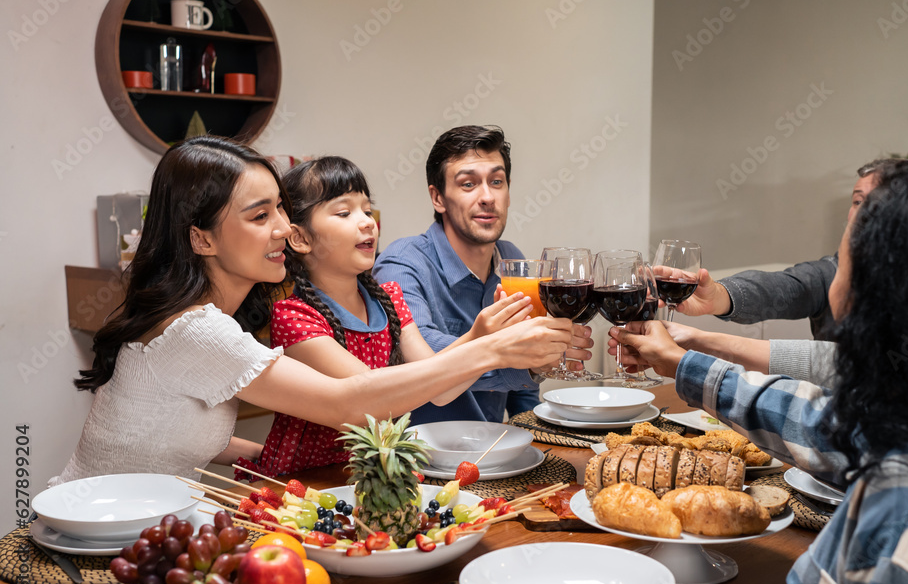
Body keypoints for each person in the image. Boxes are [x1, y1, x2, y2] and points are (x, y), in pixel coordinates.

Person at [612, 158, 908, 584]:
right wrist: (686, 362)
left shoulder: (904, 525)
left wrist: (686, 356)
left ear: (875, 290)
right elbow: (829, 424)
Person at [54, 136, 572, 485]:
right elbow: (350, 403)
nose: (283, 228)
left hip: (140, 518)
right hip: (101, 529)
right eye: (261, 215)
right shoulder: (201, 331)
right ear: (201, 239)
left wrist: (275, 462)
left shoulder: (209, 319)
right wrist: (492, 348)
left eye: (280, 208)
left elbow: (168, 433)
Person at [237, 156, 539, 477]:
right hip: (313, 477)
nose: (367, 222)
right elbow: (371, 401)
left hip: (379, 474)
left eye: (367, 210)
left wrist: (481, 338)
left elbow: (439, 388)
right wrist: (478, 341)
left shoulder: (390, 297)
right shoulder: (294, 315)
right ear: (300, 238)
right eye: (344, 212)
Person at [374, 125, 592, 424]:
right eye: (468, 184)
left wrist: (533, 433)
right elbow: (425, 363)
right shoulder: (403, 263)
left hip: (493, 452)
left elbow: (522, 395)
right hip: (421, 459)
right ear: (438, 198)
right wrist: (524, 360)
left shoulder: (511, 259)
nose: (487, 197)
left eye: (497, 181)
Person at [652, 158, 908, 386]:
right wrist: (719, 296)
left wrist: (694, 353)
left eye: (879, 203)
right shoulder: (833, 271)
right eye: (857, 200)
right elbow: (782, 287)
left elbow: (850, 369)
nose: (863, 214)